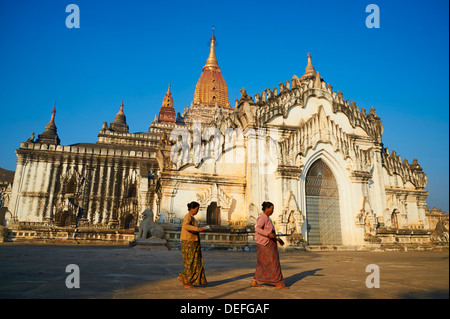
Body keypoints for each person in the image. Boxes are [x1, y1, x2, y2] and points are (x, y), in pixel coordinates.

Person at [251, 201, 288, 289]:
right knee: (273, 263)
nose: (272, 211)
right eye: (271, 209)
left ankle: (254, 281)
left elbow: (271, 232)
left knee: (263, 263)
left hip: (268, 244)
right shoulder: (263, 217)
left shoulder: (267, 218)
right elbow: (257, 229)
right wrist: (268, 235)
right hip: (265, 245)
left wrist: (278, 239)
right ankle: (278, 283)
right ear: (266, 209)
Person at [177, 201, 207, 289]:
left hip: (193, 242)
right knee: (190, 263)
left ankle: (184, 278)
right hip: (189, 243)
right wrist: (197, 229)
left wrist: (199, 229)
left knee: (195, 262)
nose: (197, 211)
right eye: (197, 209)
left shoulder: (192, 218)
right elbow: (185, 226)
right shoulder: (188, 217)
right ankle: (185, 281)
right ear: (192, 209)